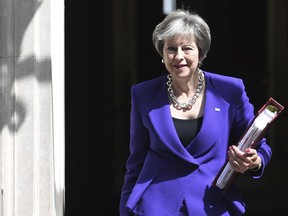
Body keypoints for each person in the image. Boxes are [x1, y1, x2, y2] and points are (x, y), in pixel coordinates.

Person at [119, 8, 272, 216]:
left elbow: (260, 145)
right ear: (162, 54)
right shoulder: (143, 94)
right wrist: (125, 209)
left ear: (201, 52)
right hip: (156, 206)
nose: (179, 57)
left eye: (187, 48)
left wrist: (255, 161)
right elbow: (135, 162)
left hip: (211, 204)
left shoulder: (230, 91)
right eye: (171, 49)